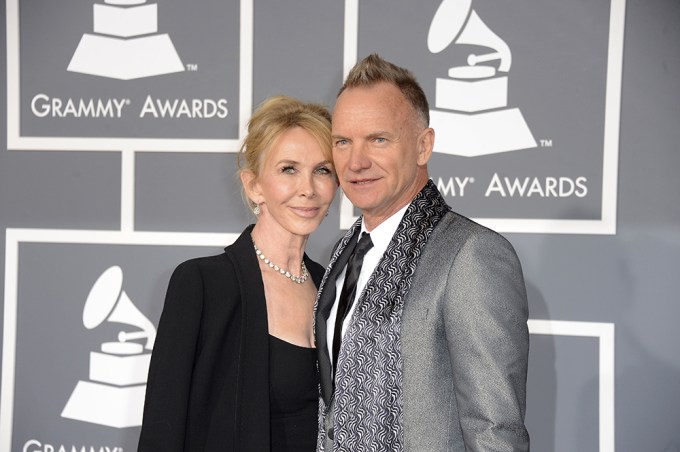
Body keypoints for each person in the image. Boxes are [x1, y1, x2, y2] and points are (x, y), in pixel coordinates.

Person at [314, 54, 530, 451]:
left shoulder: (472, 255)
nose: (356, 161)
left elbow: (495, 431)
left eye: (378, 139)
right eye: (343, 141)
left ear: (423, 146)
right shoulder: (344, 251)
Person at [138, 95, 338, 452]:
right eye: (288, 169)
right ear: (254, 185)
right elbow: (162, 431)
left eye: (322, 170)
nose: (308, 188)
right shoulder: (202, 286)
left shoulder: (335, 288)